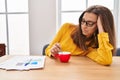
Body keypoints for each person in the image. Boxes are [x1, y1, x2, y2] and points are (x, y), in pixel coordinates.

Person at [45, 5, 116, 65]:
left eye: (90, 23)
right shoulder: (67, 27)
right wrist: (52, 52)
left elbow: (106, 60)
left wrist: (101, 28)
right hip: (58, 69)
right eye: (83, 21)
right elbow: (48, 49)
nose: (84, 26)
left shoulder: (94, 46)